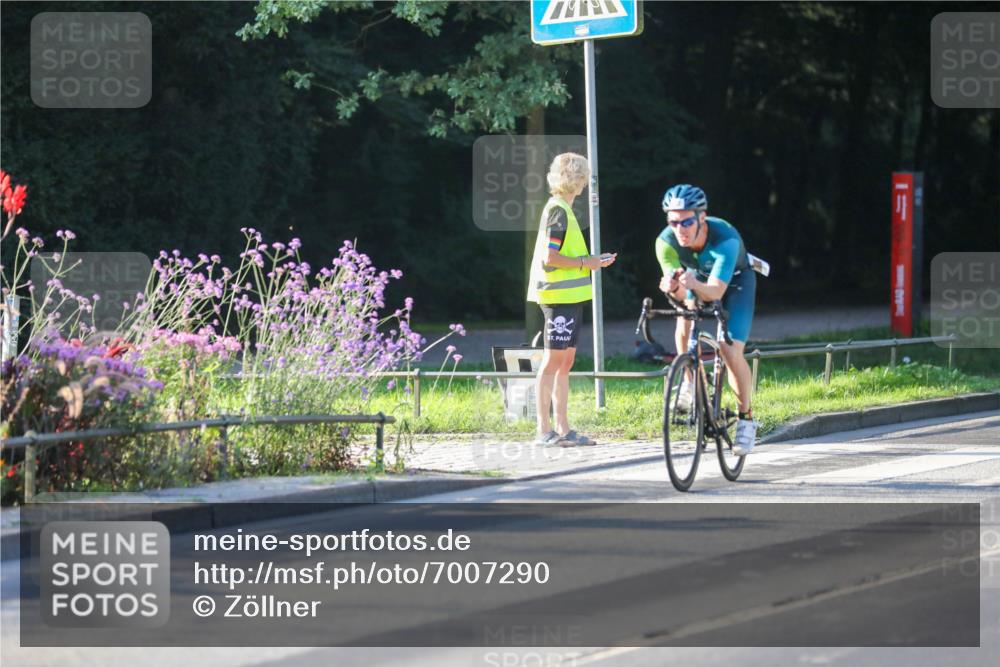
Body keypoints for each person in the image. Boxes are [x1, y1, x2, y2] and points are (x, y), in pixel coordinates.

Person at [655, 184, 759, 455]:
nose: (680, 229)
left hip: (735, 282)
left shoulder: (725, 239)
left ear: (702, 217)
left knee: (729, 348)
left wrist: (690, 284)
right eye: (674, 222)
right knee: (684, 315)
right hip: (697, 276)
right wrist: (671, 286)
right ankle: (689, 380)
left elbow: (715, 292)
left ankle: (746, 418)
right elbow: (681, 291)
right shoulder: (665, 243)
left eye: (687, 221)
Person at [527, 153, 616, 446]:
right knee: (554, 360)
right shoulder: (558, 211)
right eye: (585, 177)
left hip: (570, 297)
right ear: (576, 179)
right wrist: (584, 262)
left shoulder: (562, 208)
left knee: (565, 362)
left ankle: (563, 429)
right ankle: (544, 430)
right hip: (557, 298)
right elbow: (550, 258)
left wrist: (592, 262)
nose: (586, 183)